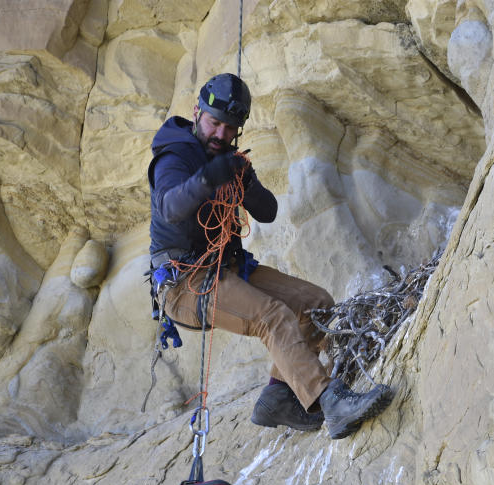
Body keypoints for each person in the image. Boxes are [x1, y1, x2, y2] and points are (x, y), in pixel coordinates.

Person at [147, 73, 392, 439]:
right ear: (197, 112)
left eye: (230, 129)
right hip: (184, 284)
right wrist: (209, 178)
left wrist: (244, 181)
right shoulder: (175, 155)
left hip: (226, 269)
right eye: (214, 123)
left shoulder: (228, 159)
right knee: (272, 316)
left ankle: (279, 396)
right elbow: (169, 207)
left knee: (315, 303)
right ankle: (331, 401)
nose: (220, 135)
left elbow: (268, 212)